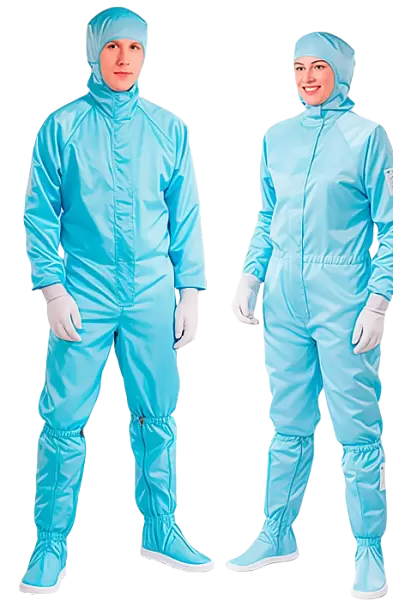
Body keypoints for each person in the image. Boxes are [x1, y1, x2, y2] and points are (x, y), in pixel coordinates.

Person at [19, 6, 214, 594]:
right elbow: (39, 211)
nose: (124, 59)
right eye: (112, 47)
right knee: (63, 416)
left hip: (152, 288)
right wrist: (52, 286)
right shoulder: (62, 127)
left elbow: (185, 213)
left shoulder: (169, 128)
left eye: (134, 47)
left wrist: (190, 289)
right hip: (84, 285)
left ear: (146, 54)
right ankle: (50, 544)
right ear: (93, 53)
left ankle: (161, 529)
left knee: (158, 413)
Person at [227, 30, 393, 600]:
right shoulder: (276, 137)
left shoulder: (367, 137)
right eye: (298, 67)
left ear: (342, 72)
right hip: (284, 301)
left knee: (356, 427)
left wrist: (378, 300)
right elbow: (268, 214)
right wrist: (251, 275)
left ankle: (369, 549)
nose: (306, 78)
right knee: (287, 421)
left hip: (344, 298)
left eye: (318, 67)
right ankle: (276, 532)